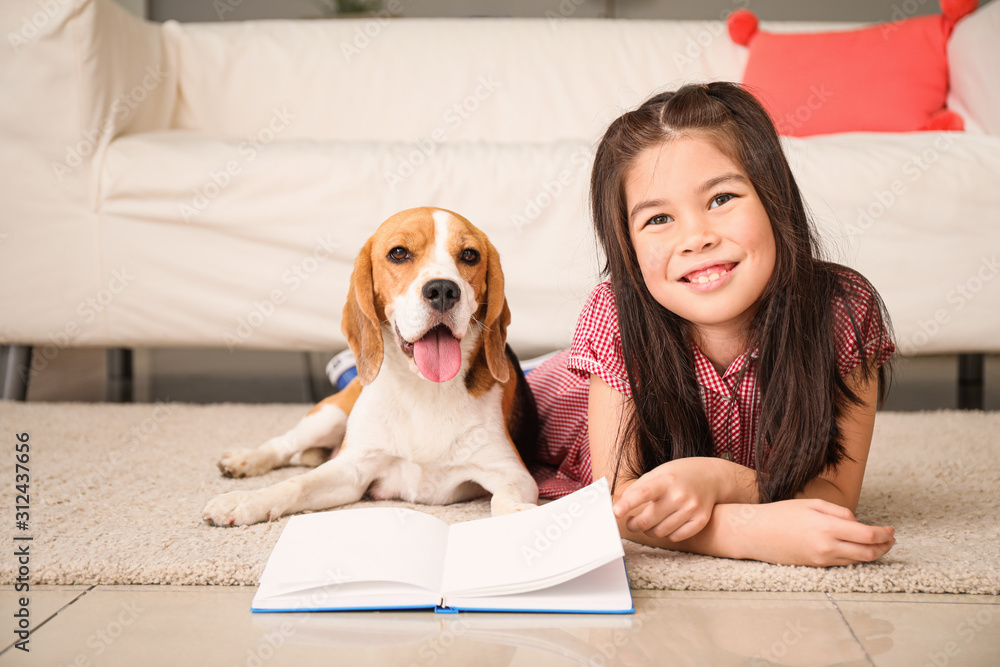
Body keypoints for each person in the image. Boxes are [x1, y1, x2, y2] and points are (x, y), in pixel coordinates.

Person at [525, 81, 897, 567]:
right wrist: (742, 532)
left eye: (721, 199)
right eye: (658, 219)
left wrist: (721, 480)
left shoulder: (844, 309)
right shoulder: (616, 315)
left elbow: (836, 495)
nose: (696, 238)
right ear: (628, 253)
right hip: (547, 398)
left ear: (774, 198)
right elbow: (614, 503)